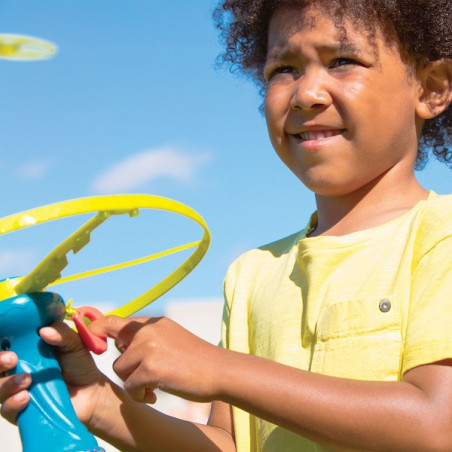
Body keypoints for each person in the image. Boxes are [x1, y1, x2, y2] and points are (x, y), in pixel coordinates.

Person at [1, 0, 452, 450]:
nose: (306, 93)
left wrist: (217, 368)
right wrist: (100, 403)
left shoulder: (441, 235)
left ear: (432, 89)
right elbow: (230, 443)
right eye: (284, 69)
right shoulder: (252, 273)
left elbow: (437, 425)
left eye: (343, 61)